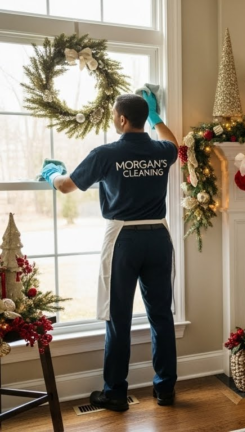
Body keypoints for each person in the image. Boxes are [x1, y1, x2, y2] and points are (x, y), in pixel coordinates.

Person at [40, 92, 179, 411]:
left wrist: (51, 173)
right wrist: (157, 118)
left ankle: (115, 392)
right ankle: (165, 389)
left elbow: (65, 185)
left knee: (119, 318)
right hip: (159, 237)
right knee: (161, 315)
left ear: (122, 119)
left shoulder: (106, 153)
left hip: (124, 240)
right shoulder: (160, 151)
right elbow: (173, 144)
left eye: (114, 114)